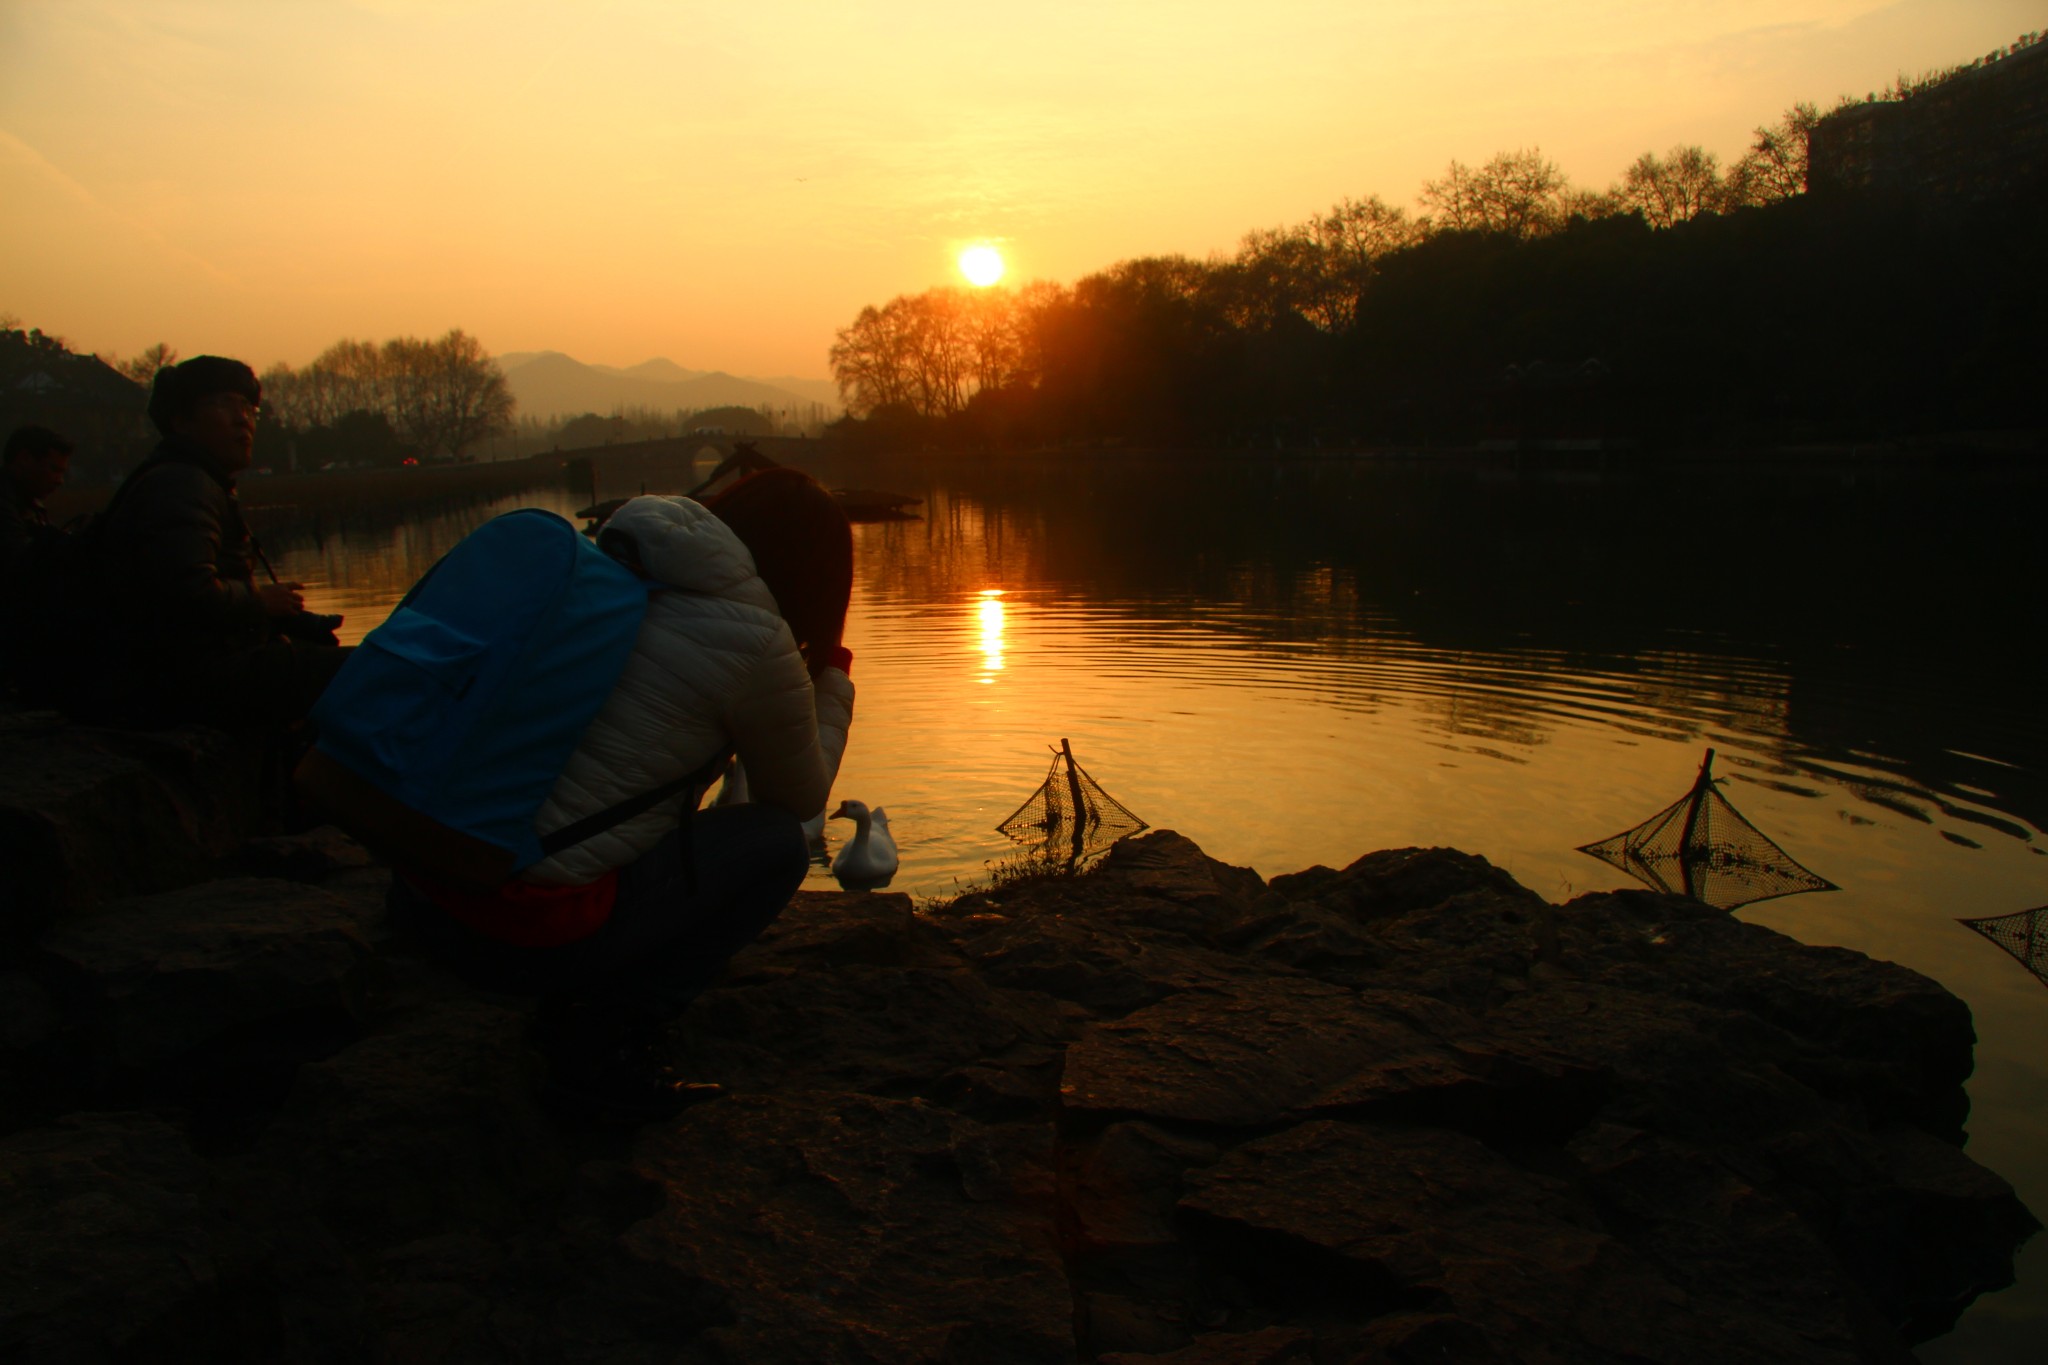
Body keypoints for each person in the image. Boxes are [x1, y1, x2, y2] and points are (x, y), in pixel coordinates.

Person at [389, 468, 857, 1122]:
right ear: (813, 571)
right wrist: (833, 685)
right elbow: (800, 797)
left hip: (421, 889)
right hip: (518, 936)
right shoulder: (755, 639)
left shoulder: (599, 568)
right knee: (775, 845)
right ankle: (605, 1041)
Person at [88, 356, 347, 730]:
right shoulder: (181, 485)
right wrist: (261, 601)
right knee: (381, 670)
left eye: (247, 407)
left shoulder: (192, 479)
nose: (243, 418)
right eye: (225, 404)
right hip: (185, 682)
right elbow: (186, 594)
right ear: (181, 421)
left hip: (190, 669)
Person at [0, 423, 72, 583]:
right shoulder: (7, 504)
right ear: (24, 458)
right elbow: (19, 563)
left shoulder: (29, 504)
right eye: (54, 469)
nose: (60, 481)